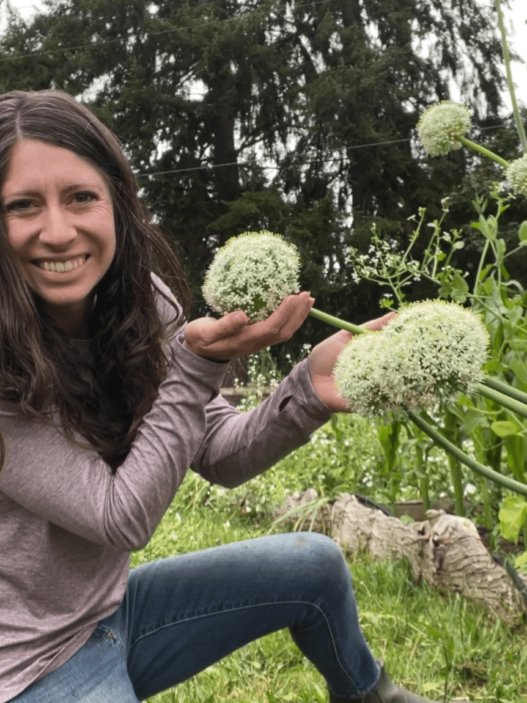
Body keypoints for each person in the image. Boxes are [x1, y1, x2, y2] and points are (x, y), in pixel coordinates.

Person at [0, 90, 464, 703]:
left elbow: (217, 451)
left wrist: (309, 391)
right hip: (27, 667)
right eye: (23, 205)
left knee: (313, 565)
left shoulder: (139, 305)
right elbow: (120, 517)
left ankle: (372, 695)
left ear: (116, 200)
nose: (59, 232)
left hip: (113, 617)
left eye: (81, 196)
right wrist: (198, 364)